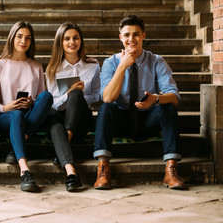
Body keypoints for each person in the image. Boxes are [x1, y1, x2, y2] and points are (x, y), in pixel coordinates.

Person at [93, 15, 186, 190]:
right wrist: (122, 66)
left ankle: (171, 170)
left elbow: (174, 95)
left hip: (147, 119)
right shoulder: (110, 63)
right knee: (105, 108)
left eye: (136, 34)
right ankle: (103, 169)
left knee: (168, 107)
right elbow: (107, 97)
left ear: (144, 35)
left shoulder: (157, 61)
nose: (131, 39)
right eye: (127, 35)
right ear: (120, 37)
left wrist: (155, 99)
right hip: (120, 120)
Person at [0, 21, 53, 192]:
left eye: (27, 38)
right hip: (7, 117)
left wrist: (31, 102)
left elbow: (41, 98)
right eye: (19, 36)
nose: (23, 41)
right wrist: (6, 107)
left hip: (29, 116)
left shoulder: (36, 66)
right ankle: (24, 170)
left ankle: (19, 141)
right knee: (16, 115)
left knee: (47, 96)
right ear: (12, 38)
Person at [45, 23, 100, 191]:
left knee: (76, 95)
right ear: (60, 43)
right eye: (66, 38)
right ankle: (71, 174)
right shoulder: (53, 69)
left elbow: (98, 94)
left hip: (82, 120)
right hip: (60, 117)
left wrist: (80, 95)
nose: (72, 42)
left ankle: (65, 142)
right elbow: (53, 103)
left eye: (76, 38)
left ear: (81, 41)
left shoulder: (93, 66)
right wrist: (68, 94)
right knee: (55, 127)